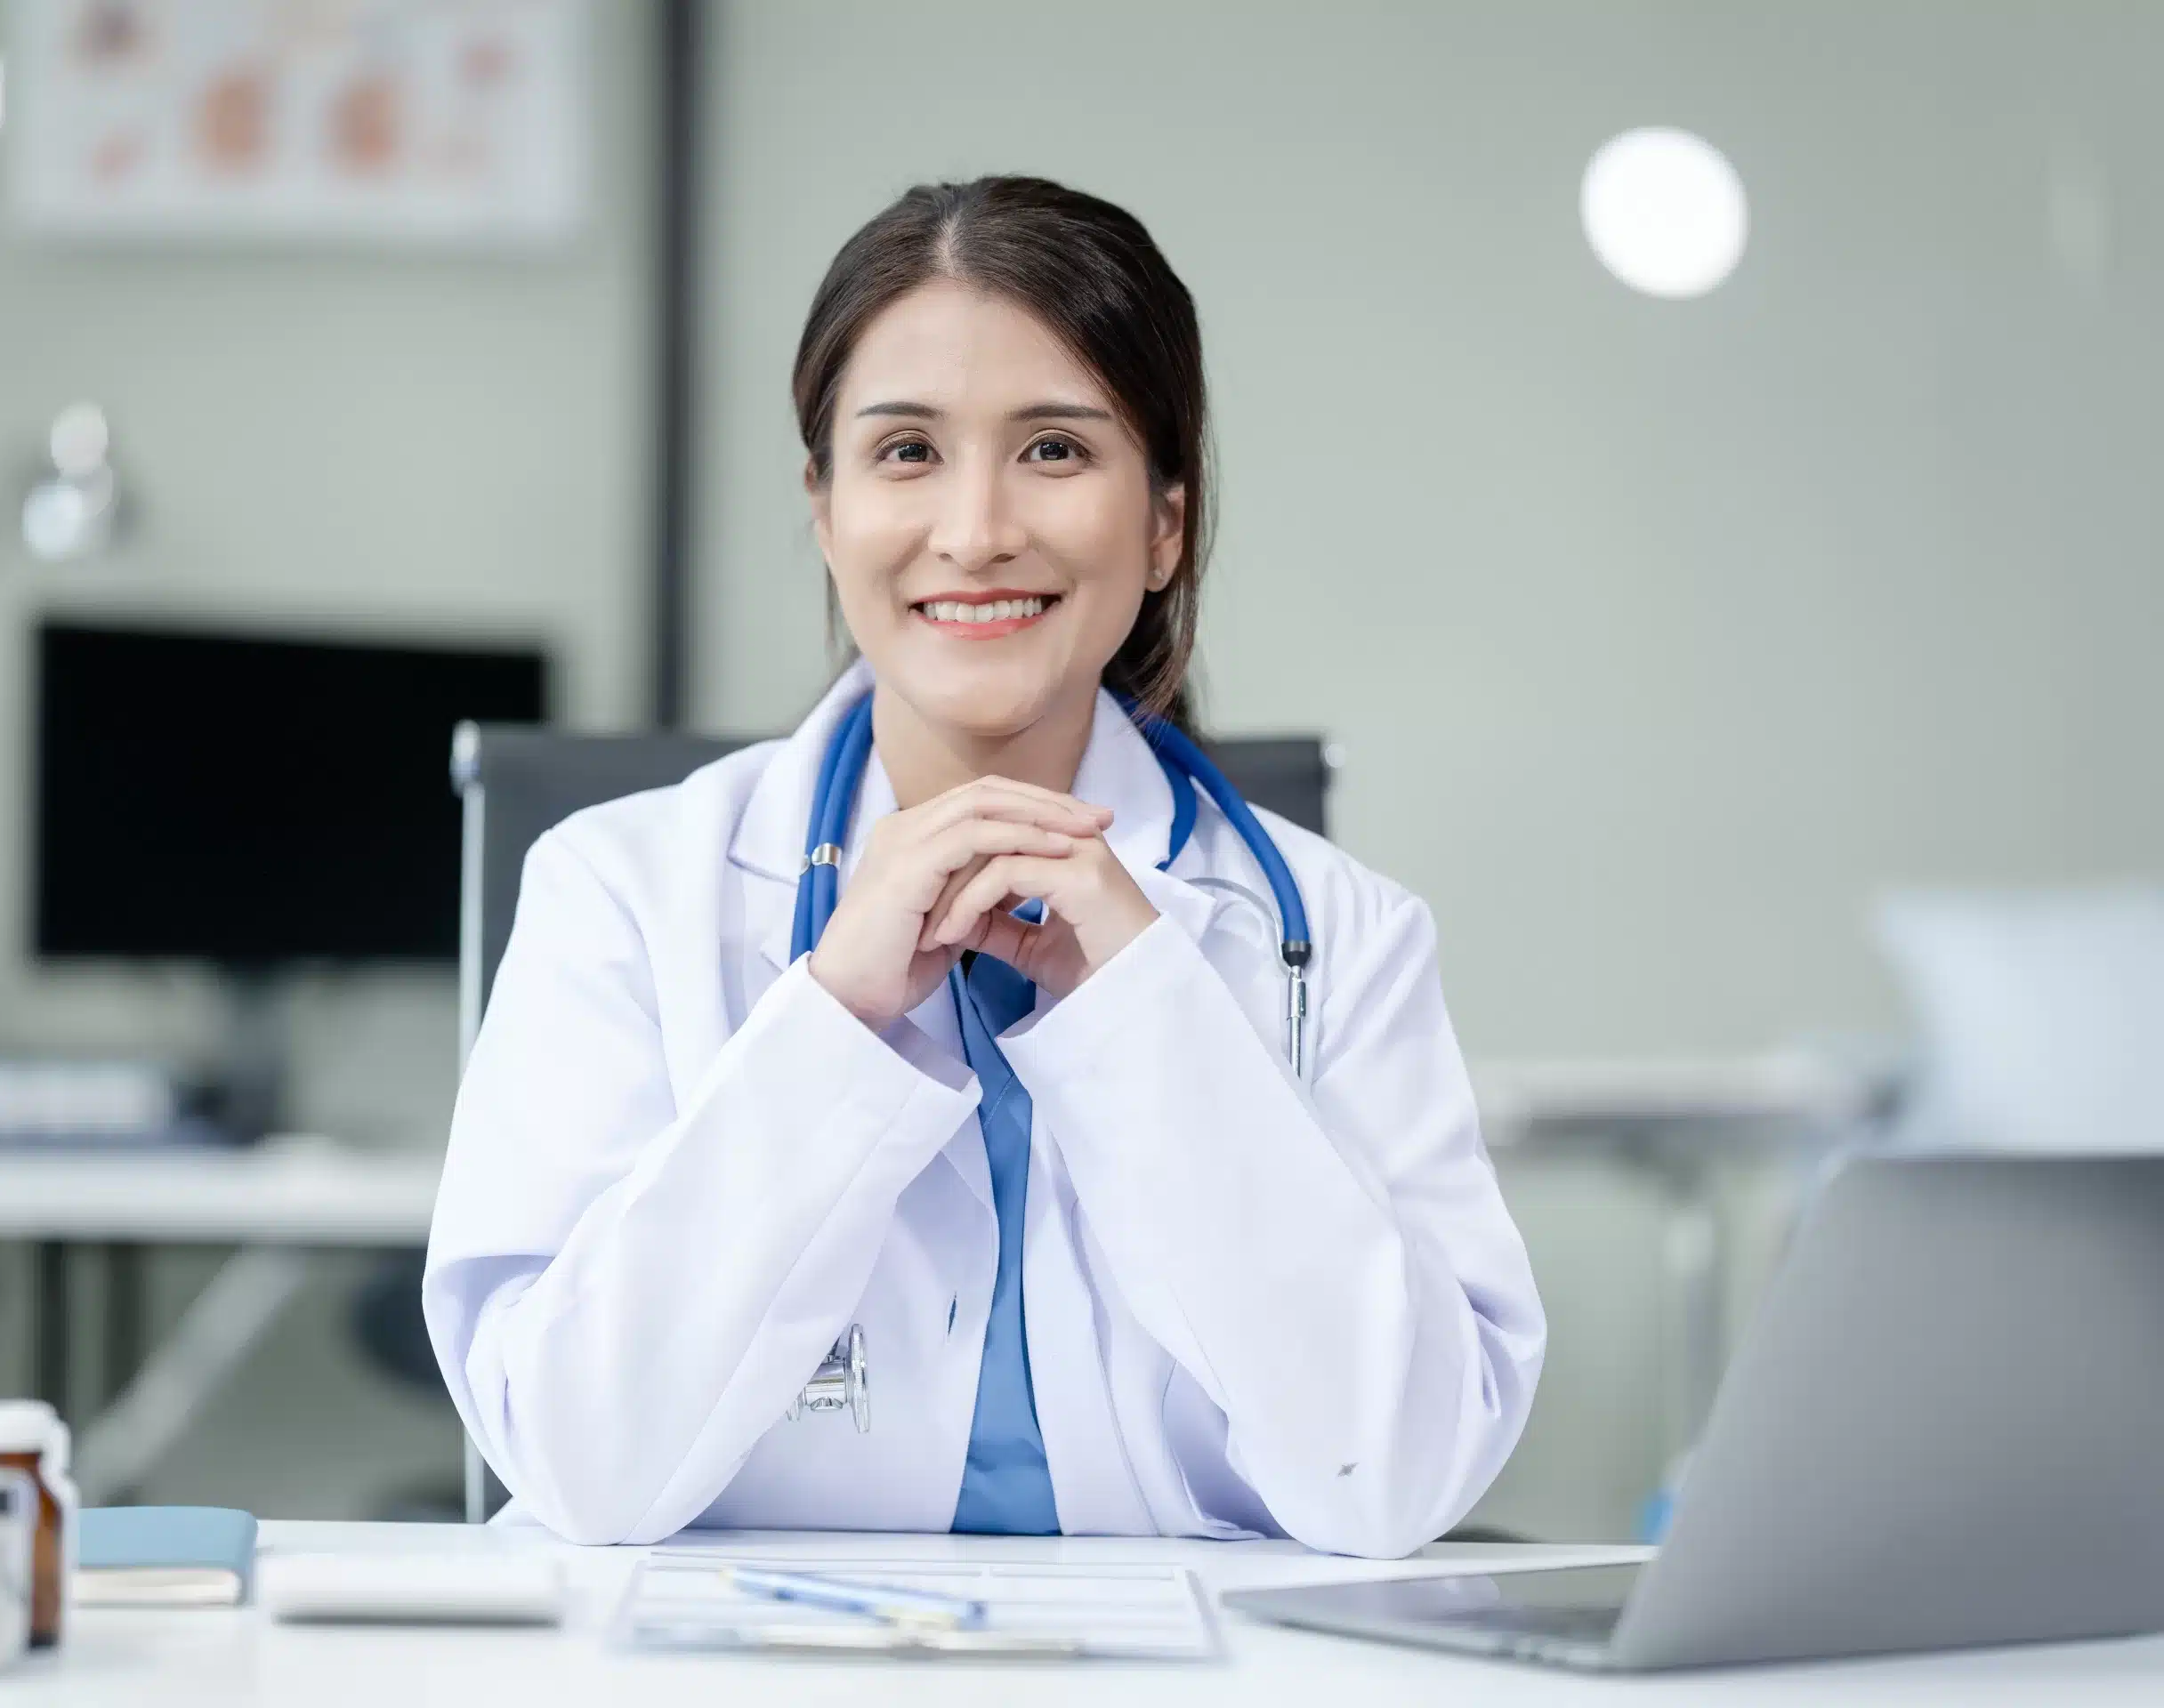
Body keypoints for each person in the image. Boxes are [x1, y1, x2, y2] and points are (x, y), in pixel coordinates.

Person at [423, 176, 1543, 1551]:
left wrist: (1145, 1007)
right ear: (824, 509)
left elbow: (1403, 1476)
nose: (975, 530)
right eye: (905, 452)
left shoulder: (1340, 934)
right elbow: (581, 1462)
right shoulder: (618, 890)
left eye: (1056, 451)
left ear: (1167, 521)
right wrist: (832, 1017)